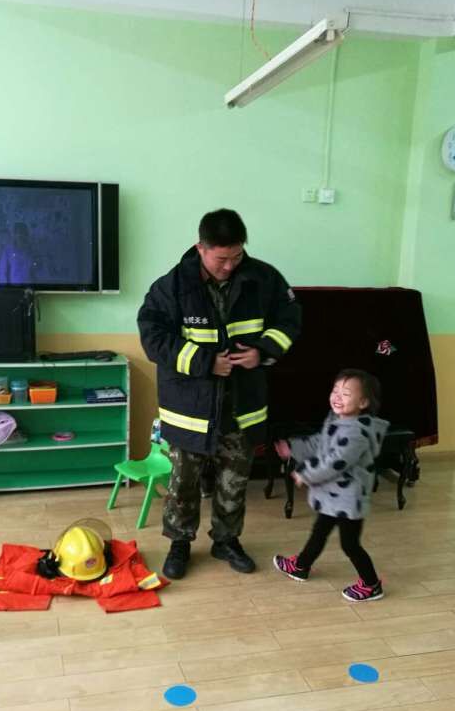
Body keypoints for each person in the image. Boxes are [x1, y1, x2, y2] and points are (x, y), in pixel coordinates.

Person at [137, 208, 301, 580]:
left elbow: (290, 319)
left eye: (236, 256)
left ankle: (226, 540)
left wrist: (263, 351)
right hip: (189, 409)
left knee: (234, 481)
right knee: (183, 484)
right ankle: (180, 543)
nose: (229, 266)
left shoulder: (264, 279)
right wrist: (205, 362)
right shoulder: (172, 286)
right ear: (201, 248)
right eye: (221, 259)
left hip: (242, 406)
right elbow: (153, 338)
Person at [272, 368, 388, 601]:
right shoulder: (338, 420)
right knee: (320, 531)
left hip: (348, 499)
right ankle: (301, 566)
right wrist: (293, 448)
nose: (337, 397)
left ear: (363, 402)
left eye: (346, 394)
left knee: (350, 544)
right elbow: (320, 443)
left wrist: (305, 474)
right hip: (334, 495)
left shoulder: (356, 434)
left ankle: (371, 584)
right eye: (335, 390)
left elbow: (334, 462)